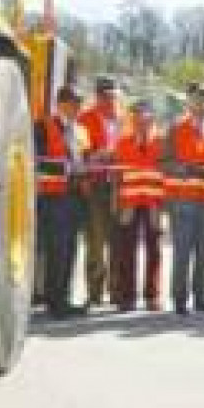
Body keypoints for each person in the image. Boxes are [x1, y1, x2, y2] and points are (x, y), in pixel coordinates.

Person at [162, 83, 204, 316]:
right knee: (182, 252)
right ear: (188, 102)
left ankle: (201, 298)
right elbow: (164, 163)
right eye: (198, 99)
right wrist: (184, 169)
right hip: (183, 201)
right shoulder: (175, 129)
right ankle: (180, 300)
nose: (202, 104)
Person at [36, 84, 91, 319]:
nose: (77, 108)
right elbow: (37, 161)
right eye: (73, 103)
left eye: (79, 103)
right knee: (56, 252)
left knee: (70, 251)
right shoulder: (43, 126)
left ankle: (64, 299)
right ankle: (54, 302)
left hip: (76, 199)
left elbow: (84, 158)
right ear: (61, 103)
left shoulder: (81, 130)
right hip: (54, 199)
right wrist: (64, 168)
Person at [113, 99, 166, 311]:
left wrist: (161, 207)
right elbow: (117, 176)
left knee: (154, 251)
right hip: (130, 203)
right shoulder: (123, 142)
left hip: (153, 203)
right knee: (127, 251)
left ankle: (152, 296)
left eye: (143, 118)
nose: (140, 122)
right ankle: (127, 297)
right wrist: (118, 204)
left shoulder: (162, 142)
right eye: (136, 118)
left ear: (152, 118)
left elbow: (166, 174)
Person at [78, 74, 123, 307]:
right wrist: (96, 156)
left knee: (118, 241)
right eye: (104, 96)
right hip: (95, 186)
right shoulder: (84, 119)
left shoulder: (124, 119)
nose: (109, 101)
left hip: (119, 187)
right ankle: (94, 292)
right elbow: (78, 153)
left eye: (112, 96)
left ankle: (116, 291)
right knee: (95, 242)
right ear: (96, 96)